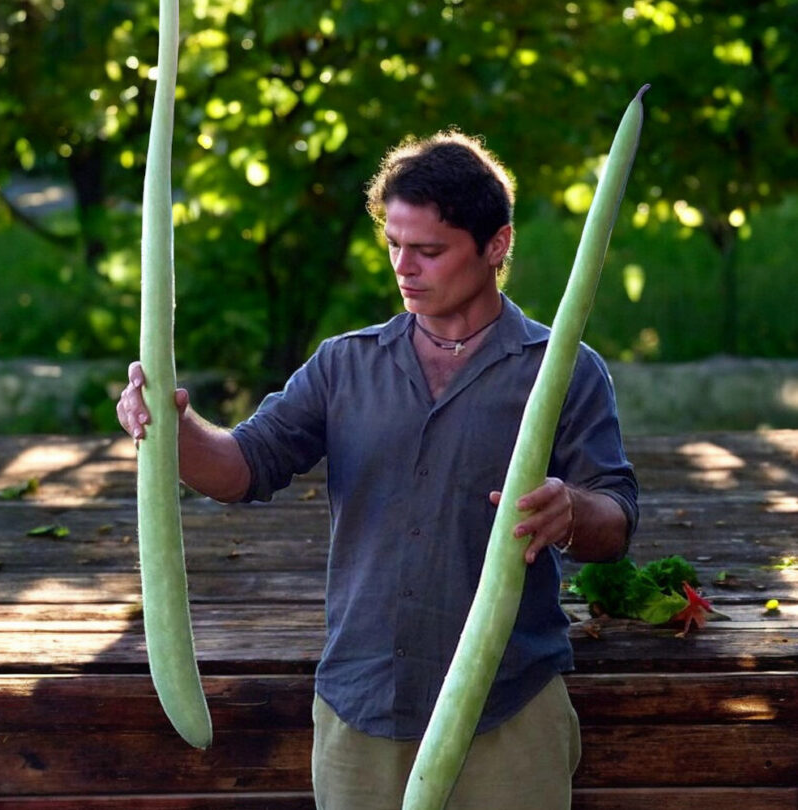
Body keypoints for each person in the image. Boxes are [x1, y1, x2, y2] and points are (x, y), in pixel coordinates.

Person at [117, 130, 638, 810]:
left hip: (509, 710)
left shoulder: (562, 369)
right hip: (360, 708)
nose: (404, 266)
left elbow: (617, 519)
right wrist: (172, 427)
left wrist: (572, 511)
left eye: (428, 250)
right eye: (393, 244)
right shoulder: (345, 365)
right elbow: (243, 467)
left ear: (497, 245)